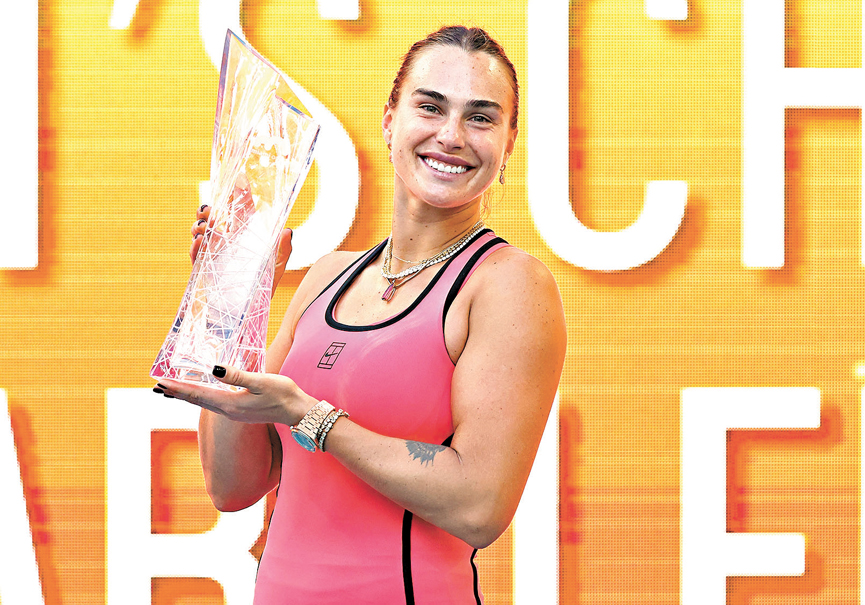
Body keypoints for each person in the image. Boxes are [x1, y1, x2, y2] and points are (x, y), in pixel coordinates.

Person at [155, 26, 567, 604]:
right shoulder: (328, 276)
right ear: (389, 120)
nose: (451, 136)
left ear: (508, 143)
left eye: (480, 117)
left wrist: (310, 417)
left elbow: (479, 506)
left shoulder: (508, 285)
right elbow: (232, 486)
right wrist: (236, 298)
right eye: (430, 107)